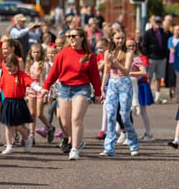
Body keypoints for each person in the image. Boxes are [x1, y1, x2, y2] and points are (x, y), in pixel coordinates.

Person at [42, 28, 102, 160]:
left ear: (81, 38)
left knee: (76, 118)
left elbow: (95, 76)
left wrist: (98, 92)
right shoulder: (63, 54)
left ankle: (74, 149)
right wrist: (45, 87)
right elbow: (53, 73)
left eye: (74, 36)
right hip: (64, 89)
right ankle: (75, 140)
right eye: (69, 36)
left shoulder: (89, 55)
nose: (71, 38)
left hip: (82, 89)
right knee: (64, 122)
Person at [0, 54, 42, 155]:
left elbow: (32, 84)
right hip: (8, 103)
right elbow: (0, 89)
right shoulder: (5, 76)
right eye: (7, 66)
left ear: (16, 65)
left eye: (10, 66)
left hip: (19, 103)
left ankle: (27, 138)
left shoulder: (22, 75)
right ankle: (9, 145)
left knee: (18, 126)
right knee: (9, 126)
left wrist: (41, 90)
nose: (8, 68)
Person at [100, 29, 140, 157]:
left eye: (122, 38)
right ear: (112, 39)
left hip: (124, 84)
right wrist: (102, 87)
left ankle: (133, 144)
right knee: (111, 115)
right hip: (112, 83)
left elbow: (127, 71)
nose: (120, 41)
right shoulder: (108, 53)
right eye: (117, 38)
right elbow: (106, 71)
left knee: (124, 116)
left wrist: (115, 61)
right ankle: (108, 148)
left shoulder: (128, 53)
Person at [25, 43, 54, 143]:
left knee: (39, 113)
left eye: (38, 52)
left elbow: (47, 79)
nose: (36, 54)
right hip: (31, 89)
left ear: (41, 53)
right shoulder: (30, 63)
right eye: (34, 52)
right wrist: (26, 92)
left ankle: (49, 127)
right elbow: (27, 78)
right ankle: (31, 135)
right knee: (31, 113)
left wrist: (47, 93)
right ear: (31, 53)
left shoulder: (44, 64)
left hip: (41, 90)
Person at [128, 38, 154, 141]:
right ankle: (121, 131)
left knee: (143, 111)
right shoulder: (124, 57)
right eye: (129, 46)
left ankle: (149, 133)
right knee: (126, 110)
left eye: (132, 46)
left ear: (136, 47)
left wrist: (132, 76)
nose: (130, 48)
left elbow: (144, 73)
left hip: (141, 86)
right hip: (130, 85)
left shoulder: (142, 58)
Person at [141, 16, 170, 103]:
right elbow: (144, 46)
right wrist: (147, 56)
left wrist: (165, 55)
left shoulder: (163, 33)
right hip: (151, 59)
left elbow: (166, 44)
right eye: (156, 22)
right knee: (149, 77)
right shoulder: (148, 33)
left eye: (159, 22)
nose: (157, 24)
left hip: (161, 58)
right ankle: (149, 95)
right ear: (152, 23)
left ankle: (157, 96)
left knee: (159, 77)